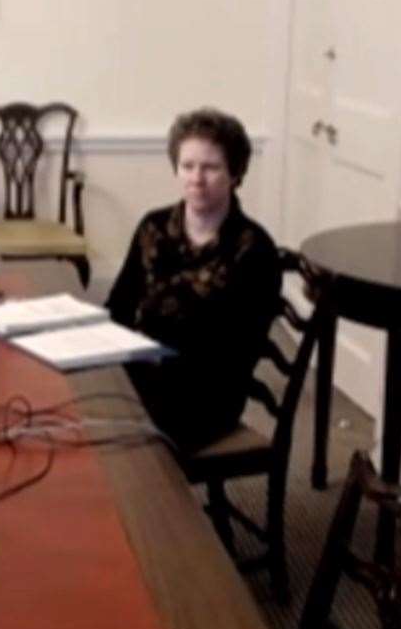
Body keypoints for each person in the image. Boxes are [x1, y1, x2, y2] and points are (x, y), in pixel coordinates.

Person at [105, 107, 282, 453]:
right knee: (79, 404)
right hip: (140, 373)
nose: (196, 178)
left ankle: (152, 503)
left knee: (119, 436)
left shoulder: (255, 250)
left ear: (235, 172)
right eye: (187, 166)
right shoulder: (153, 228)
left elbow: (238, 352)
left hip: (207, 394)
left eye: (211, 167)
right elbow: (118, 307)